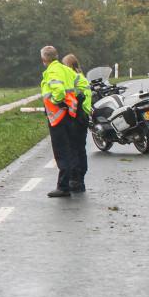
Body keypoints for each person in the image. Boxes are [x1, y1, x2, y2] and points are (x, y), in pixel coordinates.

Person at [39, 45, 79, 197]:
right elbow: (79, 83)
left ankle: (63, 187)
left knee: (61, 152)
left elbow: (59, 91)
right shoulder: (65, 69)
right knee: (71, 148)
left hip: (58, 115)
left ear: (44, 59)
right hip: (70, 114)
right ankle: (74, 181)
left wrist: (58, 102)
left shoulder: (52, 71)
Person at [62, 53, 92, 193]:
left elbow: (71, 98)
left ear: (68, 66)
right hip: (84, 117)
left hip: (76, 117)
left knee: (73, 149)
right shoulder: (83, 78)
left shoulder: (73, 79)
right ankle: (80, 178)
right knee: (81, 148)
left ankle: (75, 180)